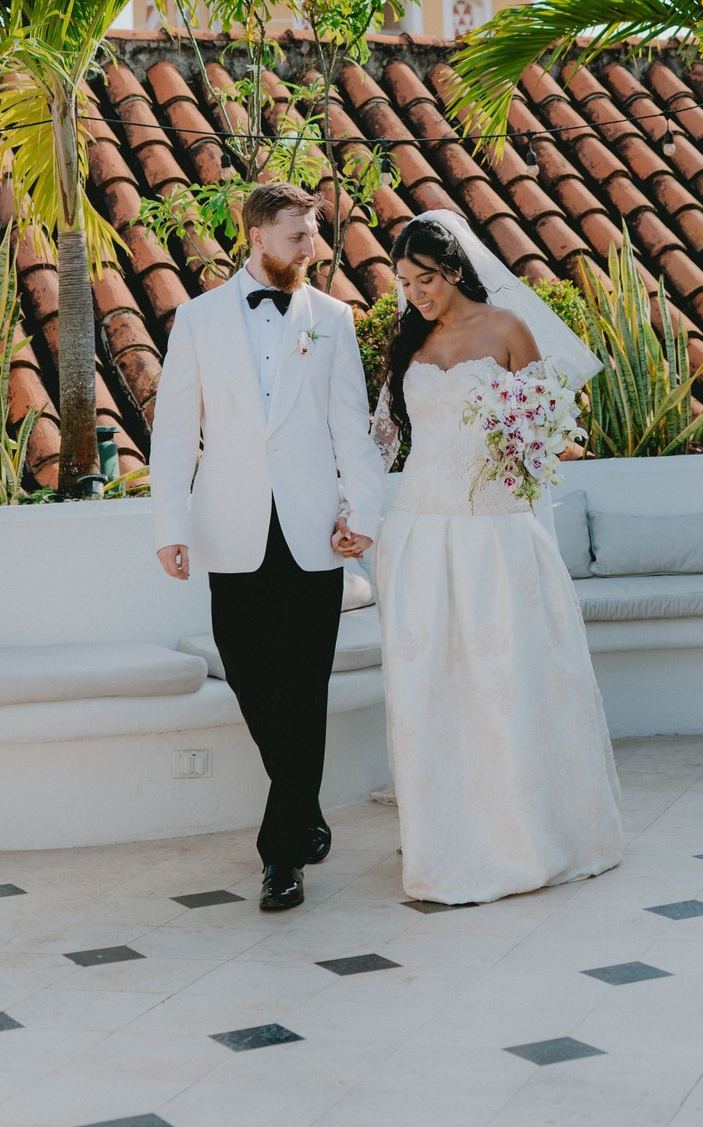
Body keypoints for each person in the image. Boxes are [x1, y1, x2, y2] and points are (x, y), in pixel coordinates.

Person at [371, 209, 625, 906]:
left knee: (505, 680)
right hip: (420, 532)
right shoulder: (407, 344)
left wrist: (522, 444)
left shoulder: (507, 330)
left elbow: (545, 432)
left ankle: (526, 835)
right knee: (429, 686)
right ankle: (442, 838)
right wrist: (352, 513)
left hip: (494, 530)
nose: (415, 294)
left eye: (424, 278)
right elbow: (383, 439)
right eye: (403, 282)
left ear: (453, 268)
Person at [151, 180, 386, 913]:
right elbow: (171, 430)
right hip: (232, 533)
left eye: (313, 233)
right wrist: (170, 526)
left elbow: (350, 425)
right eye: (296, 235)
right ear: (256, 235)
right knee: (256, 686)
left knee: (303, 691)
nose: (309, 247)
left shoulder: (334, 318)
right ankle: (305, 806)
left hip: (315, 534)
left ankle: (280, 856)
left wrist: (365, 512)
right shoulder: (195, 319)